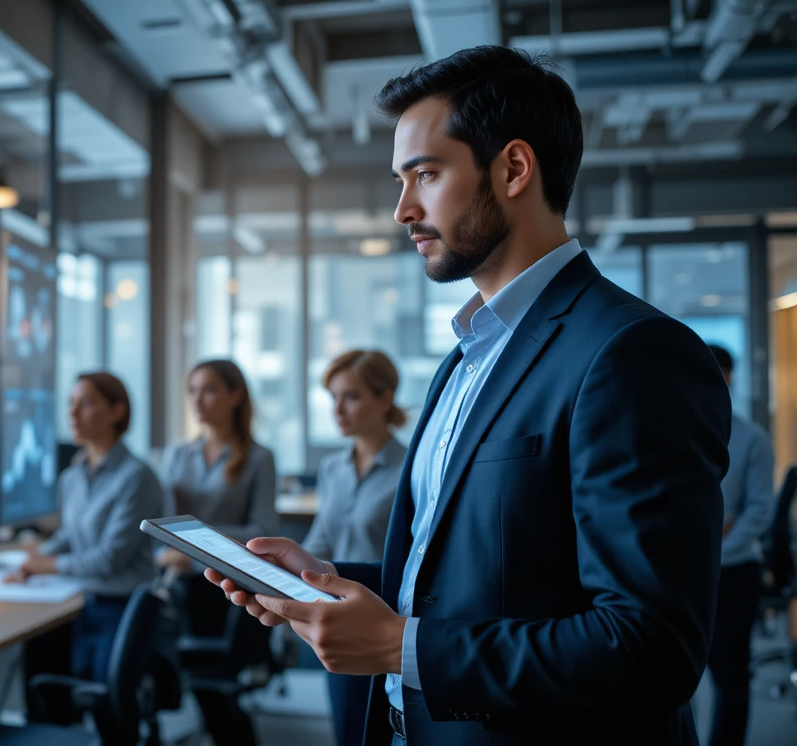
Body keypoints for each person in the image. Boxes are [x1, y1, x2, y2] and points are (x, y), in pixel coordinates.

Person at [205, 45, 731, 745]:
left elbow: (650, 648)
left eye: (426, 174)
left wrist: (396, 646)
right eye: (401, 180)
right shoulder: (464, 358)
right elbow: (466, 579)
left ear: (513, 169)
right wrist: (325, 581)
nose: (402, 209)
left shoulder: (632, 353)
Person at [10, 371, 164, 724]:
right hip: (81, 602)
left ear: (116, 411)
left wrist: (45, 566)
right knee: (49, 687)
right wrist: (34, 559)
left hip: (120, 609)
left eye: (86, 403)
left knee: (108, 709)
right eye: (71, 404)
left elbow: (110, 558)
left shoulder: (137, 476)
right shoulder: (72, 476)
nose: (73, 413)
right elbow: (70, 534)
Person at [156, 359, 277, 746]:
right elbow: (161, 526)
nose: (197, 400)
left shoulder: (258, 458)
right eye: (192, 391)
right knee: (187, 684)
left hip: (227, 589)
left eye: (208, 390)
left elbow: (262, 532)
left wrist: (194, 548)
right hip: (179, 587)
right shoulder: (177, 455)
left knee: (217, 692)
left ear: (235, 395)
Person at [302, 350, 408, 746]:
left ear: (385, 398)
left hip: (383, 617)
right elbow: (320, 540)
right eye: (333, 398)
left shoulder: (412, 467)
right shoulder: (332, 468)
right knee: (346, 728)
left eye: (351, 397)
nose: (337, 410)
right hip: (333, 614)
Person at [704, 344, 775, 746]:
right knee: (680, 673)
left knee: (730, 675)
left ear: (728, 376)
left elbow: (760, 511)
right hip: (687, 575)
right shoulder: (673, 432)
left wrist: (714, 546)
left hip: (733, 574)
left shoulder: (752, 439)